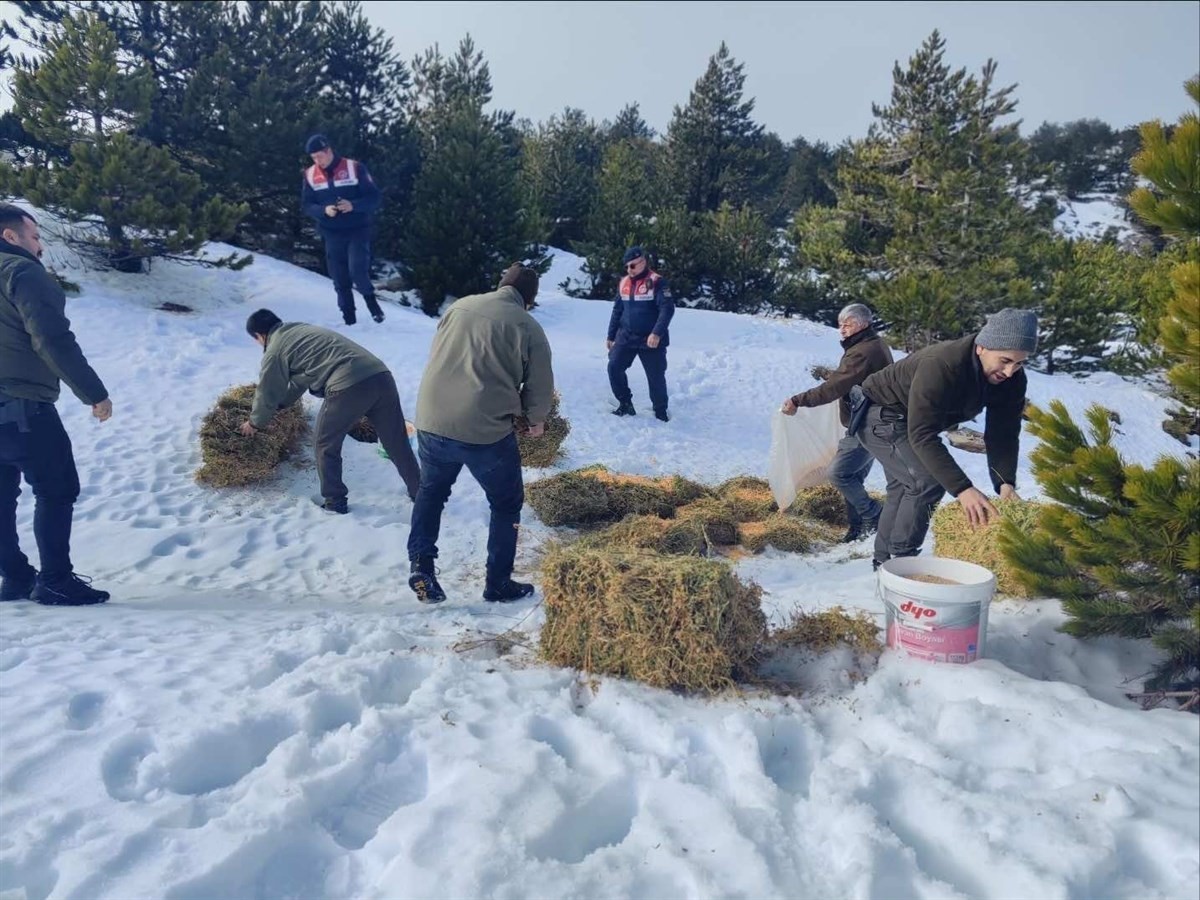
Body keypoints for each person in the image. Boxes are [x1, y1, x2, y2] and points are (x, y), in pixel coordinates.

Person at [407, 265, 554, 605]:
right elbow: (540, 384)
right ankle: (498, 583)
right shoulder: (528, 327)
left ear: (501, 285)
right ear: (529, 299)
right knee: (506, 503)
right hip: (483, 430)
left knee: (431, 492)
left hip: (431, 418)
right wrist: (536, 420)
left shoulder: (460, 306)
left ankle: (422, 565)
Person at [855, 308, 1038, 570]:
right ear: (982, 347)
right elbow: (922, 434)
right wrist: (963, 489)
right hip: (880, 412)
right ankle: (902, 564)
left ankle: (883, 563)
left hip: (913, 420)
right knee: (925, 483)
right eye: (1005, 360)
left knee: (903, 487)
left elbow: (1004, 434)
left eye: (1020, 363)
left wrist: (1005, 483)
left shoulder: (1012, 380)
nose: (1010, 371)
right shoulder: (942, 364)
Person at [0, 204, 113, 606]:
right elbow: (50, 339)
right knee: (56, 488)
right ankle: (54, 581)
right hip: (22, 406)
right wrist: (94, 393)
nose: (40, 245)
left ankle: (13, 576)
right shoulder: (23, 272)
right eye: (35, 237)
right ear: (11, 237)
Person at [240, 309, 420, 514]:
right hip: (381, 376)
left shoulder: (275, 349)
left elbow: (267, 389)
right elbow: (302, 379)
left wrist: (255, 422)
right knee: (396, 440)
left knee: (324, 443)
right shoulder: (301, 331)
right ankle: (420, 492)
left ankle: (335, 501)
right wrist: (282, 404)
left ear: (260, 336)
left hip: (348, 385)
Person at [782, 302, 893, 542]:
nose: (842, 330)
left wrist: (798, 400)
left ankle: (875, 515)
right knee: (854, 477)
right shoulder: (871, 344)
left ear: (863, 324)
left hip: (867, 423)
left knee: (839, 474)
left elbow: (835, 388)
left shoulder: (863, 352)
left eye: (848, 324)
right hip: (874, 420)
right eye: (840, 325)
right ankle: (857, 529)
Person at [300, 133, 385, 326]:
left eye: (320, 156)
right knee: (339, 277)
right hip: (331, 231)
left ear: (329, 151)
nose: (317, 161)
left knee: (357, 270)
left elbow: (374, 198)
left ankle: (372, 304)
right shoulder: (310, 175)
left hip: (357, 228)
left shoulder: (354, 168)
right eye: (313, 158)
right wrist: (323, 210)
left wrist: (353, 205)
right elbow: (306, 205)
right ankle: (349, 319)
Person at [606, 245, 674, 422]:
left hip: (651, 339)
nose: (629, 270)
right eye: (627, 266)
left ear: (643, 262)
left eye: (633, 265)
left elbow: (667, 309)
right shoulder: (624, 283)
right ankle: (625, 403)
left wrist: (657, 333)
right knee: (614, 367)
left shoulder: (657, 282)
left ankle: (660, 411)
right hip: (626, 336)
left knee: (656, 376)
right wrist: (611, 335)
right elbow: (617, 310)